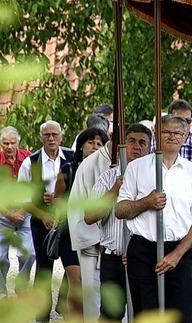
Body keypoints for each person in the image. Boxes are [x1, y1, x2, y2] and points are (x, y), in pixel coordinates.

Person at [116, 114, 192, 322]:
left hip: (179, 251)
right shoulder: (137, 168)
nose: (172, 136)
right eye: (166, 132)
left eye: (177, 133)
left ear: (185, 137)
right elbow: (120, 210)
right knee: (146, 314)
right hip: (143, 250)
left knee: (183, 314)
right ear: (156, 135)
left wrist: (177, 254)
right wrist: (146, 203)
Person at [84, 123, 152, 321]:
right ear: (123, 145)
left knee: (143, 312)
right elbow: (90, 216)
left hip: (144, 259)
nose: (136, 147)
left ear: (149, 148)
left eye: (142, 143)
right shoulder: (109, 176)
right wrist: (116, 188)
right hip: (113, 258)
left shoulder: (155, 178)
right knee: (110, 314)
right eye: (131, 141)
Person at [17, 120, 74, 322]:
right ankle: (42, 316)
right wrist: (43, 216)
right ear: (41, 137)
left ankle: (67, 308)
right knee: (44, 270)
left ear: (61, 136)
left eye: (54, 134)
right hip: (41, 222)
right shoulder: (30, 163)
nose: (51, 138)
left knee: (72, 268)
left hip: (68, 221)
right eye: (47, 135)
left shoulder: (72, 158)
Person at [54, 127, 109, 316]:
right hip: (71, 232)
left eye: (99, 144)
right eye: (90, 142)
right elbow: (57, 199)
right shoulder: (69, 168)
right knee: (77, 283)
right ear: (81, 145)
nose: (95, 147)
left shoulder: (106, 170)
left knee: (94, 284)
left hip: (97, 235)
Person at [68, 132, 113, 319]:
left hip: (129, 250)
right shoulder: (90, 165)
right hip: (95, 246)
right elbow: (77, 209)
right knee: (94, 297)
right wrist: (96, 240)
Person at [0, 126, 33, 297]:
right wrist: (9, 214)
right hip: (3, 212)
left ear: (18, 142)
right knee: (0, 257)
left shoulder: (28, 158)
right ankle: (1, 290)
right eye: (6, 143)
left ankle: (22, 284)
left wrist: (22, 210)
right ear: (1, 144)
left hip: (25, 210)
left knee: (30, 253)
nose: (9, 147)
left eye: (13, 143)